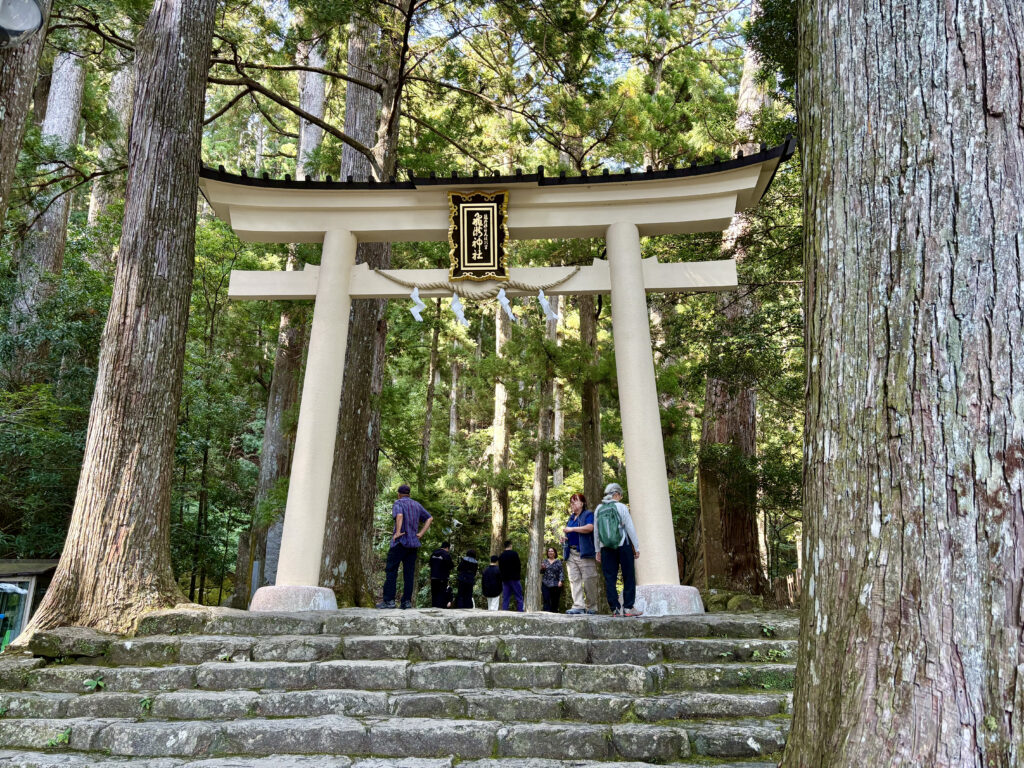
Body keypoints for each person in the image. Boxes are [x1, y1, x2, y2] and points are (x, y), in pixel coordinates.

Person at [377, 484, 432, 609]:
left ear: (399, 494)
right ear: (409, 494)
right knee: (409, 573)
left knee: (391, 571)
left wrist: (397, 532)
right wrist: (420, 533)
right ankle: (406, 602)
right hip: (413, 544)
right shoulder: (417, 505)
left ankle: (389, 601)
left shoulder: (398, 503)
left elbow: (400, 515)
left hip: (399, 542)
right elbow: (429, 518)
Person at [594, 482, 642, 616]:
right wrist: (636, 547)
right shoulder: (621, 507)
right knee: (628, 576)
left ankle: (615, 608)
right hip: (623, 545)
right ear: (616, 494)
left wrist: (597, 550)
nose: (620, 497)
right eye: (620, 495)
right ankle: (628, 608)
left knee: (610, 578)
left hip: (606, 548)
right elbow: (630, 528)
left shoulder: (599, 509)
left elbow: (596, 532)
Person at [562, 492, 599, 614]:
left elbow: (589, 528)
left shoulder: (588, 514)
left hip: (584, 553)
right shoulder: (571, 518)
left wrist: (572, 529)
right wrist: (565, 538)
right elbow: (571, 533)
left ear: (582, 503)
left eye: (575, 501)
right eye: (571, 502)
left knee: (589, 580)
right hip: (571, 552)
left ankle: (592, 606)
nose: (572, 504)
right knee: (574, 579)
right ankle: (578, 605)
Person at [497, 540, 523, 611]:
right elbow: (518, 565)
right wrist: (518, 575)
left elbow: (500, 568)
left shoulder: (501, 556)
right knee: (519, 597)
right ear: (510, 545)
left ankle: (504, 612)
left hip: (505, 579)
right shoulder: (514, 554)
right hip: (514, 578)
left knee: (506, 597)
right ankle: (520, 612)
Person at [429, 541, 454, 608]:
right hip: (442, 577)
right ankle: (440, 609)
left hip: (433, 577)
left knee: (434, 593)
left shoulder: (434, 553)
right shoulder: (446, 554)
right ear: (447, 548)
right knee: (441, 594)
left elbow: (430, 563)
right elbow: (451, 565)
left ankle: (434, 607)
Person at [540, 546, 564, 613]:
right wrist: (542, 568)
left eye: (552, 551)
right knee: (546, 600)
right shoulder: (544, 561)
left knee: (555, 601)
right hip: (545, 583)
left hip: (555, 584)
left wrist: (560, 581)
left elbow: (561, 572)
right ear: (547, 553)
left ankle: (554, 615)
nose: (550, 552)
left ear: (555, 553)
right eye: (549, 551)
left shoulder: (558, 561)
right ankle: (546, 615)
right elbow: (541, 572)